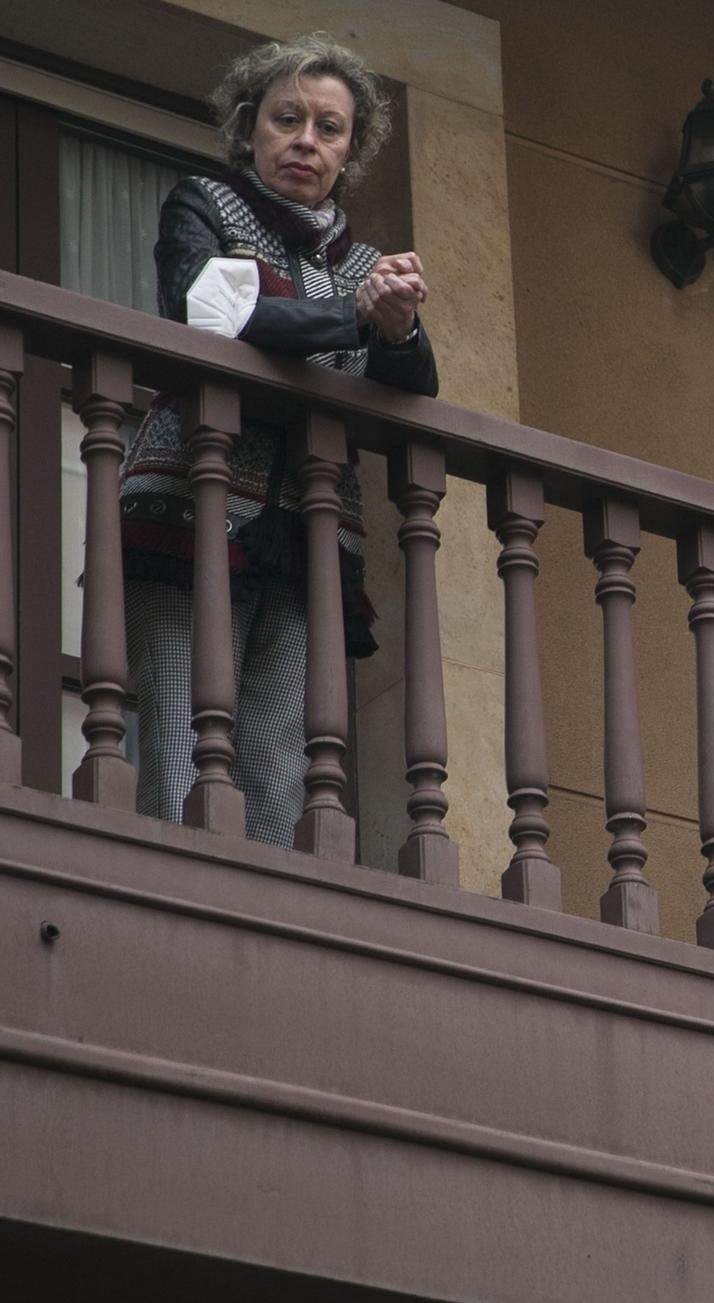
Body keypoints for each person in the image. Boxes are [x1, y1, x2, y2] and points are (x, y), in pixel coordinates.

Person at [121, 32, 438, 844]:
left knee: (277, 755)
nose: (306, 140)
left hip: (309, 527)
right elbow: (209, 313)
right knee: (183, 725)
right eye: (287, 118)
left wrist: (397, 329)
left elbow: (414, 383)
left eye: (329, 128)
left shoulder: (364, 259)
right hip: (189, 498)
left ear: (350, 151)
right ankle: (179, 891)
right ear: (249, 127)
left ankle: (260, 909)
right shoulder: (205, 204)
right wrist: (360, 316)